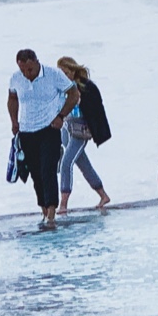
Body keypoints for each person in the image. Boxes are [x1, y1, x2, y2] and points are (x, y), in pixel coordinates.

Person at [6, 48, 79, 229]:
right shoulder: (16, 78)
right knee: (35, 173)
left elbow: (74, 94)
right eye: (23, 70)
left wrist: (61, 116)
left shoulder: (53, 74)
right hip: (27, 130)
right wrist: (14, 121)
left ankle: (52, 212)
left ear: (36, 62)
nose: (26, 74)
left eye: (29, 69)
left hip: (49, 128)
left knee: (48, 169)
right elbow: (12, 98)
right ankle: (43, 210)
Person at [54, 56, 113, 215]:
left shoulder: (85, 87)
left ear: (73, 71)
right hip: (67, 127)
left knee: (66, 163)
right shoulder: (61, 88)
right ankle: (103, 195)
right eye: (61, 73)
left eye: (66, 73)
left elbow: (95, 109)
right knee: (83, 164)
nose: (63, 76)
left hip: (81, 129)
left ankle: (63, 204)